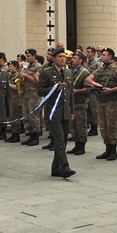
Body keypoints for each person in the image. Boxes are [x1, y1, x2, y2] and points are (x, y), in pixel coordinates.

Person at [38, 48, 77, 178]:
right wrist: (55, 88)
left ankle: (55, 169)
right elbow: (41, 91)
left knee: (63, 141)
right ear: (54, 58)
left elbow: (70, 93)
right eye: (59, 56)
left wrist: (72, 110)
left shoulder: (68, 72)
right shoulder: (47, 73)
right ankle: (65, 168)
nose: (62, 59)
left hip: (65, 111)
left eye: (63, 56)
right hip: (53, 111)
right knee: (59, 141)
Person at [85, 48, 117, 161]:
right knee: (103, 126)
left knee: (112, 125)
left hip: (111, 102)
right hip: (101, 101)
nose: (101, 56)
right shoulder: (100, 69)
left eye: (104, 55)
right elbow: (88, 79)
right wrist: (96, 84)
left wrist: (111, 90)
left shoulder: (116, 71)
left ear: (110, 57)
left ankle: (113, 150)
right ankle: (107, 148)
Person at [67, 51, 90, 155]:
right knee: (72, 126)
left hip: (80, 103)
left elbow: (87, 88)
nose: (73, 59)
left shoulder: (84, 72)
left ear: (81, 60)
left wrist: (77, 91)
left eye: (75, 58)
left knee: (80, 125)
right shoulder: (70, 71)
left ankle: (81, 146)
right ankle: (76, 144)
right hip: (71, 103)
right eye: (73, 58)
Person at [19, 49, 42, 146]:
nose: (27, 58)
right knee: (26, 114)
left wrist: (26, 75)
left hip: (34, 94)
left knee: (34, 115)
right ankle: (30, 134)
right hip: (26, 93)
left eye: (28, 56)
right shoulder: (27, 66)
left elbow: (37, 81)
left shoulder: (39, 67)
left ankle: (36, 136)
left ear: (34, 56)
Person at [6, 60, 24, 143]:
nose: (9, 68)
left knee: (15, 116)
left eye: (11, 66)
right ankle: (13, 133)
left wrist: (7, 85)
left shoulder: (17, 75)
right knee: (12, 116)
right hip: (10, 97)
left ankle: (16, 134)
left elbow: (18, 87)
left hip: (16, 98)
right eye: (9, 66)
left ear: (15, 67)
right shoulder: (9, 75)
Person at [85, 46, 101, 136]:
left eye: (89, 52)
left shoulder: (96, 64)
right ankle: (91, 125)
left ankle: (94, 127)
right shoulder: (87, 64)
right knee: (88, 109)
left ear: (93, 53)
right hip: (87, 88)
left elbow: (98, 76)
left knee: (94, 109)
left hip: (94, 89)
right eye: (87, 52)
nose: (87, 53)